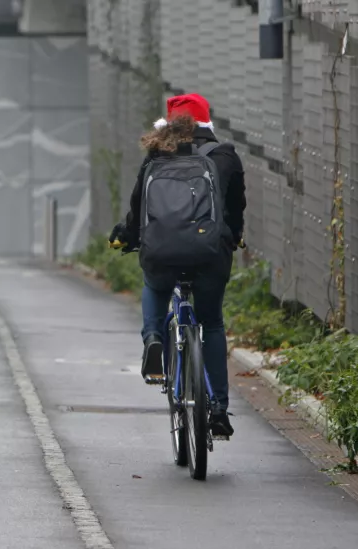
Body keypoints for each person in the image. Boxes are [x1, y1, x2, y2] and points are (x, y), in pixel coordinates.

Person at [108, 93, 246, 438]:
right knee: (211, 322)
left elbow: (139, 206)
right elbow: (235, 208)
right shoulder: (224, 156)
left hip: (163, 253)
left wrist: (126, 236)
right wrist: (234, 236)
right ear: (205, 122)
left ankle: (154, 337)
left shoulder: (157, 156)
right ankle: (218, 410)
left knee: (155, 284)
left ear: (169, 125)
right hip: (210, 254)